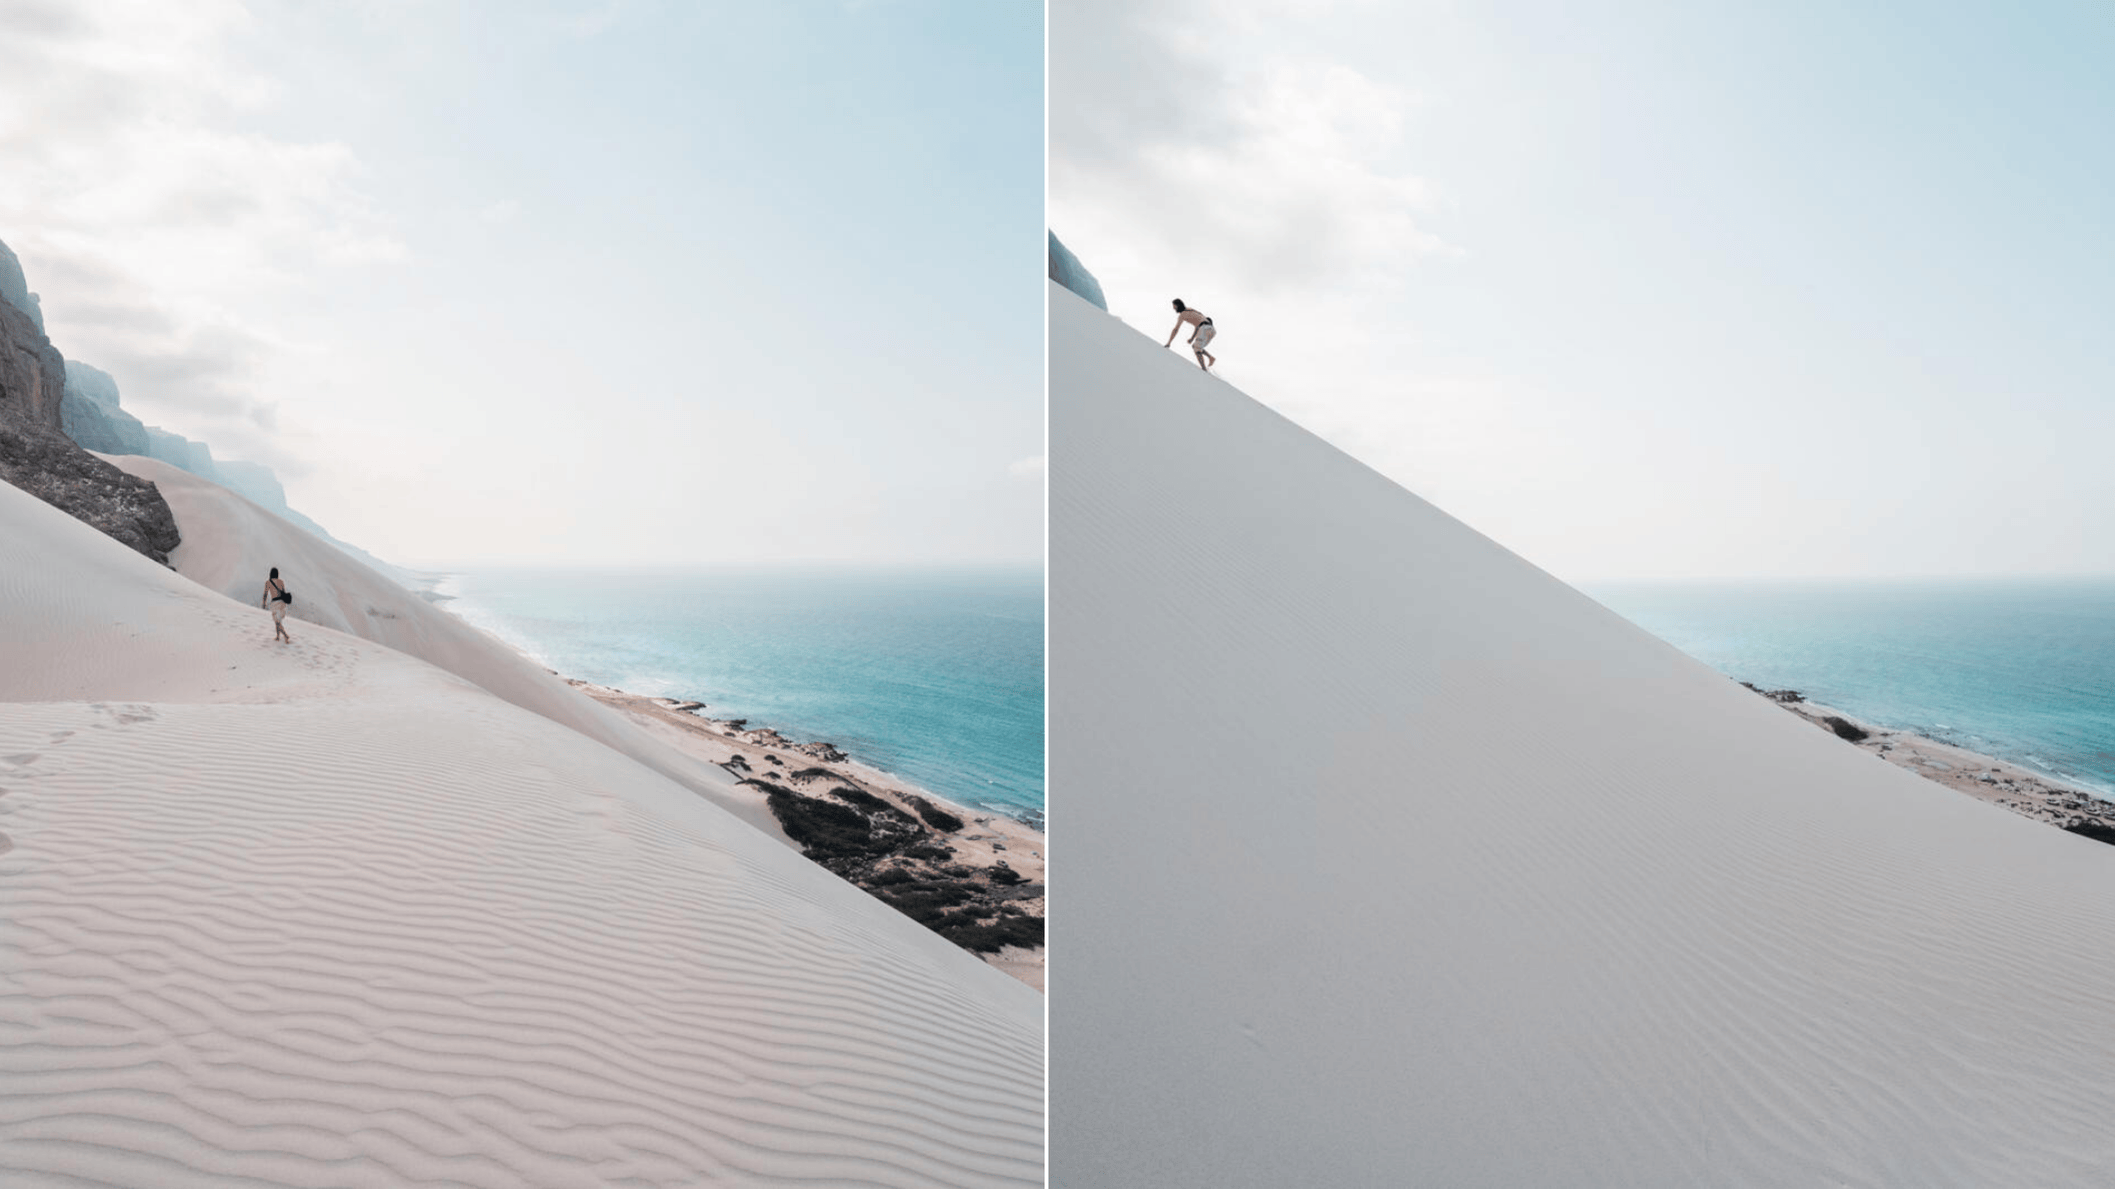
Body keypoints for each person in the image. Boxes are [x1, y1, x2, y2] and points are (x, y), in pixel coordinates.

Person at [1164, 298, 1217, 371]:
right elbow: (1198, 325)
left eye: (1174, 306)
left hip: (1204, 328)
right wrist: (1192, 338)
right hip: (1211, 329)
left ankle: (1204, 370)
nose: (1173, 308)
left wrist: (1169, 342)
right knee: (1196, 346)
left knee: (1196, 348)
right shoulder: (1190, 310)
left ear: (1178, 305)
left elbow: (1175, 329)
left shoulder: (1182, 315)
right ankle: (1210, 358)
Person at [261, 567, 293, 643]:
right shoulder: (281, 581)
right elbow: (283, 592)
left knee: (277, 621)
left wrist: (264, 603)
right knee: (278, 621)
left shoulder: (268, 582)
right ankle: (278, 636)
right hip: (282, 603)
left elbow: (265, 594)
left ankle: (285, 635)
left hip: (275, 603)